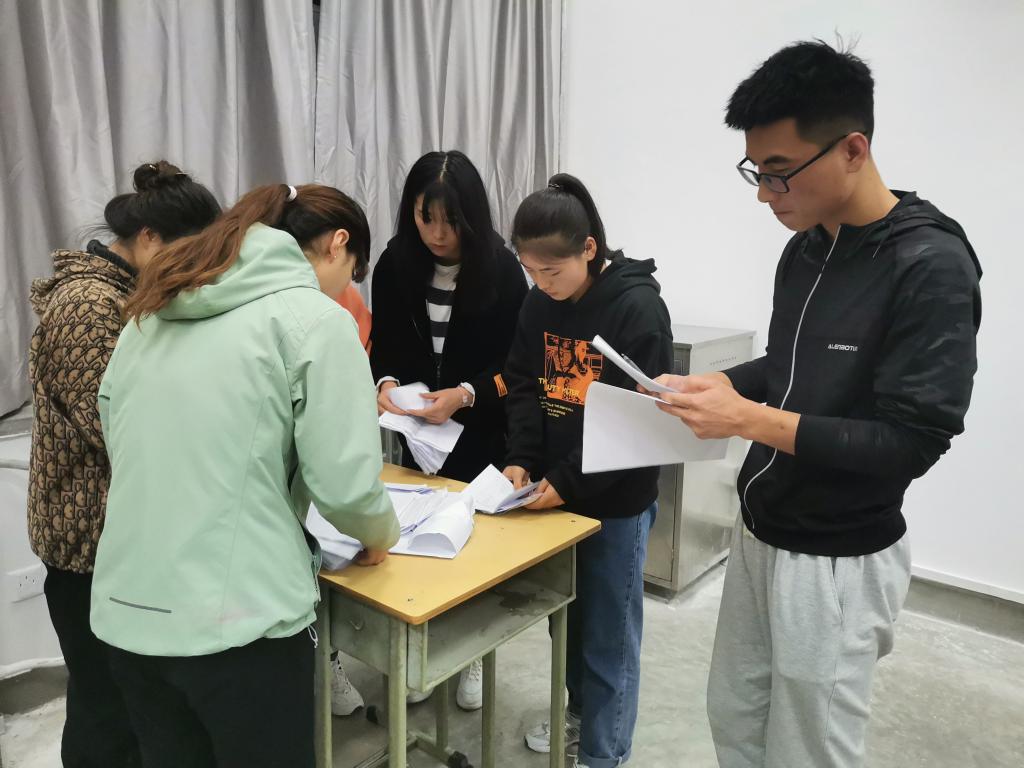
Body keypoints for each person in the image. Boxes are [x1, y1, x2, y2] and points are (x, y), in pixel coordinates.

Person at [651, 41, 982, 768]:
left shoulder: (929, 265)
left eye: (779, 172)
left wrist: (748, 420)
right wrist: (729, 385)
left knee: (810, 749)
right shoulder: (805, 247)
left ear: (853, 150)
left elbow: (910, 441)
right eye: (755, 172)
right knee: (736, 719)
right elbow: (791, 366)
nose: (765, 194)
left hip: (837, 557)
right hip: (761, 530)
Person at [89, 183, 401, 768]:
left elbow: (117, 433)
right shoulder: (314, 321)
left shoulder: (150, 311)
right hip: (240, 624)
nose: (349, 287)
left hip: (129, 613)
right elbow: (346, 486)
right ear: (337, 247)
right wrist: (381, 534)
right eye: (354, 271)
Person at [27, 160, 220, 768]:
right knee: (105, 711)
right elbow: (118, 429)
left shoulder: (126, 294)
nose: (196, 272)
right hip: (86, 549)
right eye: (190, 255)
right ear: (149, 239)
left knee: (129, 706)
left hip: (118, 543)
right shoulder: (87, 305)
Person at [503, 173, 673, 768]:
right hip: (555, 491)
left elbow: (635, 419)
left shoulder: (637, 308)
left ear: (589, 250)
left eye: (551, 271)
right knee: (570, 626)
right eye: (530, 272)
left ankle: (605, 755)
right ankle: (580, 720)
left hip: (615, 502)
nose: (541, 284)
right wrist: (522, 458)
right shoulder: (538, 303)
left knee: (609, 640)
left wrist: (568, 482)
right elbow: (523, 383)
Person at [370, 149, 528, 709]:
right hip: (417, 435)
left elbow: (517, 367)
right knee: (416, 545)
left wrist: (465, 394)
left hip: (481, 433)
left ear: (472, 217)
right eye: (425, 217)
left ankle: (472, 656)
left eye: (451, 220)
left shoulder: (502, 270)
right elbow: (385, 343)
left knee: (471, 548)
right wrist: (387, 382)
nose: (437, 233)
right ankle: (418, 656)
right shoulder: (395, 264)